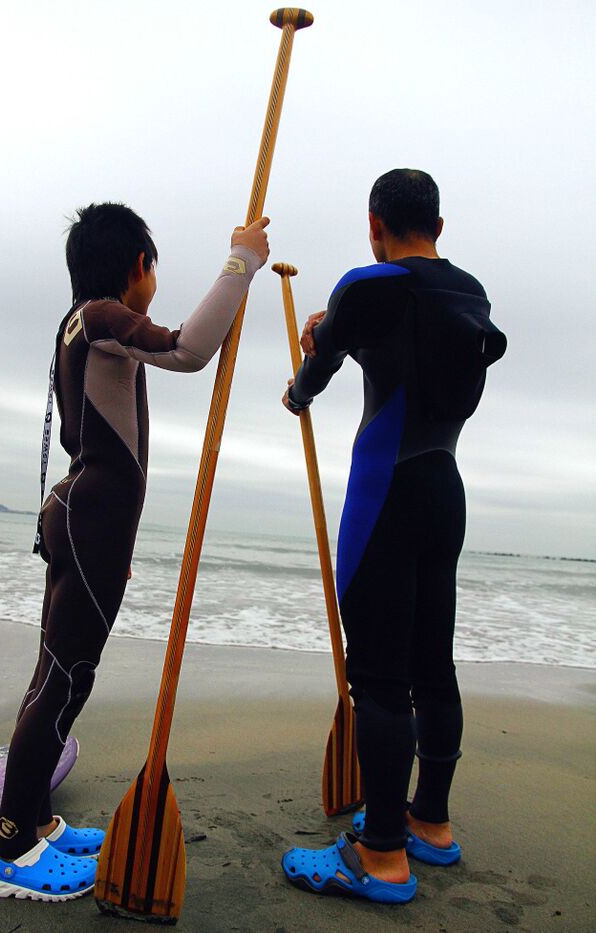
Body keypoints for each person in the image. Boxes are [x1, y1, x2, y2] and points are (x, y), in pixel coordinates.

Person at [0, 202, 270, 901]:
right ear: (139, 267)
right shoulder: (102, 315)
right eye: (154, 265)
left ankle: (34, 819)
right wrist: (240, 261)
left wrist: (114, 548)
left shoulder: (80, 322)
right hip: (90, 512)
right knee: (64, 678)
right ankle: (8, 849)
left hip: (84, 515)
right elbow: (189, 348)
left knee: (56, 674)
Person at [280, 169, 506, 904]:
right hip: (446, 486)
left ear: (374, 222)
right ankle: (429, 822)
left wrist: (299, 390)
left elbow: (323, 362)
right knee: (431, 661)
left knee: (378, 676)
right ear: (438, 224)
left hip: (386, 491)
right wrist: (336, 326)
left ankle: (378, 853)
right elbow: (399, 340)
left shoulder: (366, 284)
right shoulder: (470, 294)